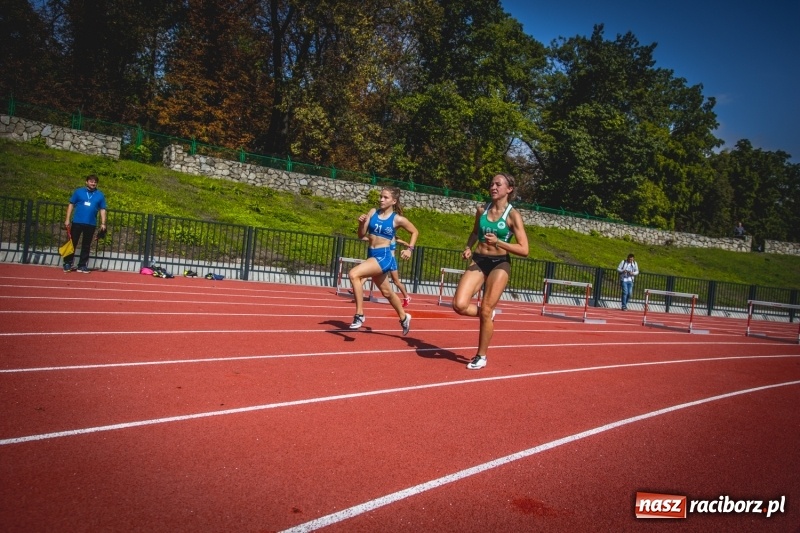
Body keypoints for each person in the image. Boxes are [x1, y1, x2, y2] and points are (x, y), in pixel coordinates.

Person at [453, 173, 529, 370]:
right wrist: (468, 246)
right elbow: (474, 232)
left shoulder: (513, 215)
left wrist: (499, 242)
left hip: (499, 264)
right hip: (479, 260)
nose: (493, 187)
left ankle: (481, 356)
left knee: (486, 309)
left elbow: (524, 249)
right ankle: (488, 315)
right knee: (459, 305)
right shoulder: (482, 210)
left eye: (498, 184)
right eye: (491, 184)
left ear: (509, 189)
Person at [348, 187, 418, 335]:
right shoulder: (373, 212)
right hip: (372, 254)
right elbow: (361, 235)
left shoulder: (397, 219)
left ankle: (359, 314)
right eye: (381, 196)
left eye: (385, 197)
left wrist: (409, 249)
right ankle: (404, 317)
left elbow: (414, 232)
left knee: (354, 274)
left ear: (394, 201)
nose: (381, 199)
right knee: (387, 292)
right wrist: (361, 223)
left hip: (384, 256)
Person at [63, 174, 107, 273]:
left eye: (95, 182)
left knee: (86, 245)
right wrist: (67, 219)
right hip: (77, 221)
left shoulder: (100, 195)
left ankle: (82, 265)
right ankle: (67, 263)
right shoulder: (78, 192)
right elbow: (71, 204)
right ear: (86, 182)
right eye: (91, 181)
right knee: (72, 243)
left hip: (91, 223)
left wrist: (103, 223)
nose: (93, 183)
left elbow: (102, 209)